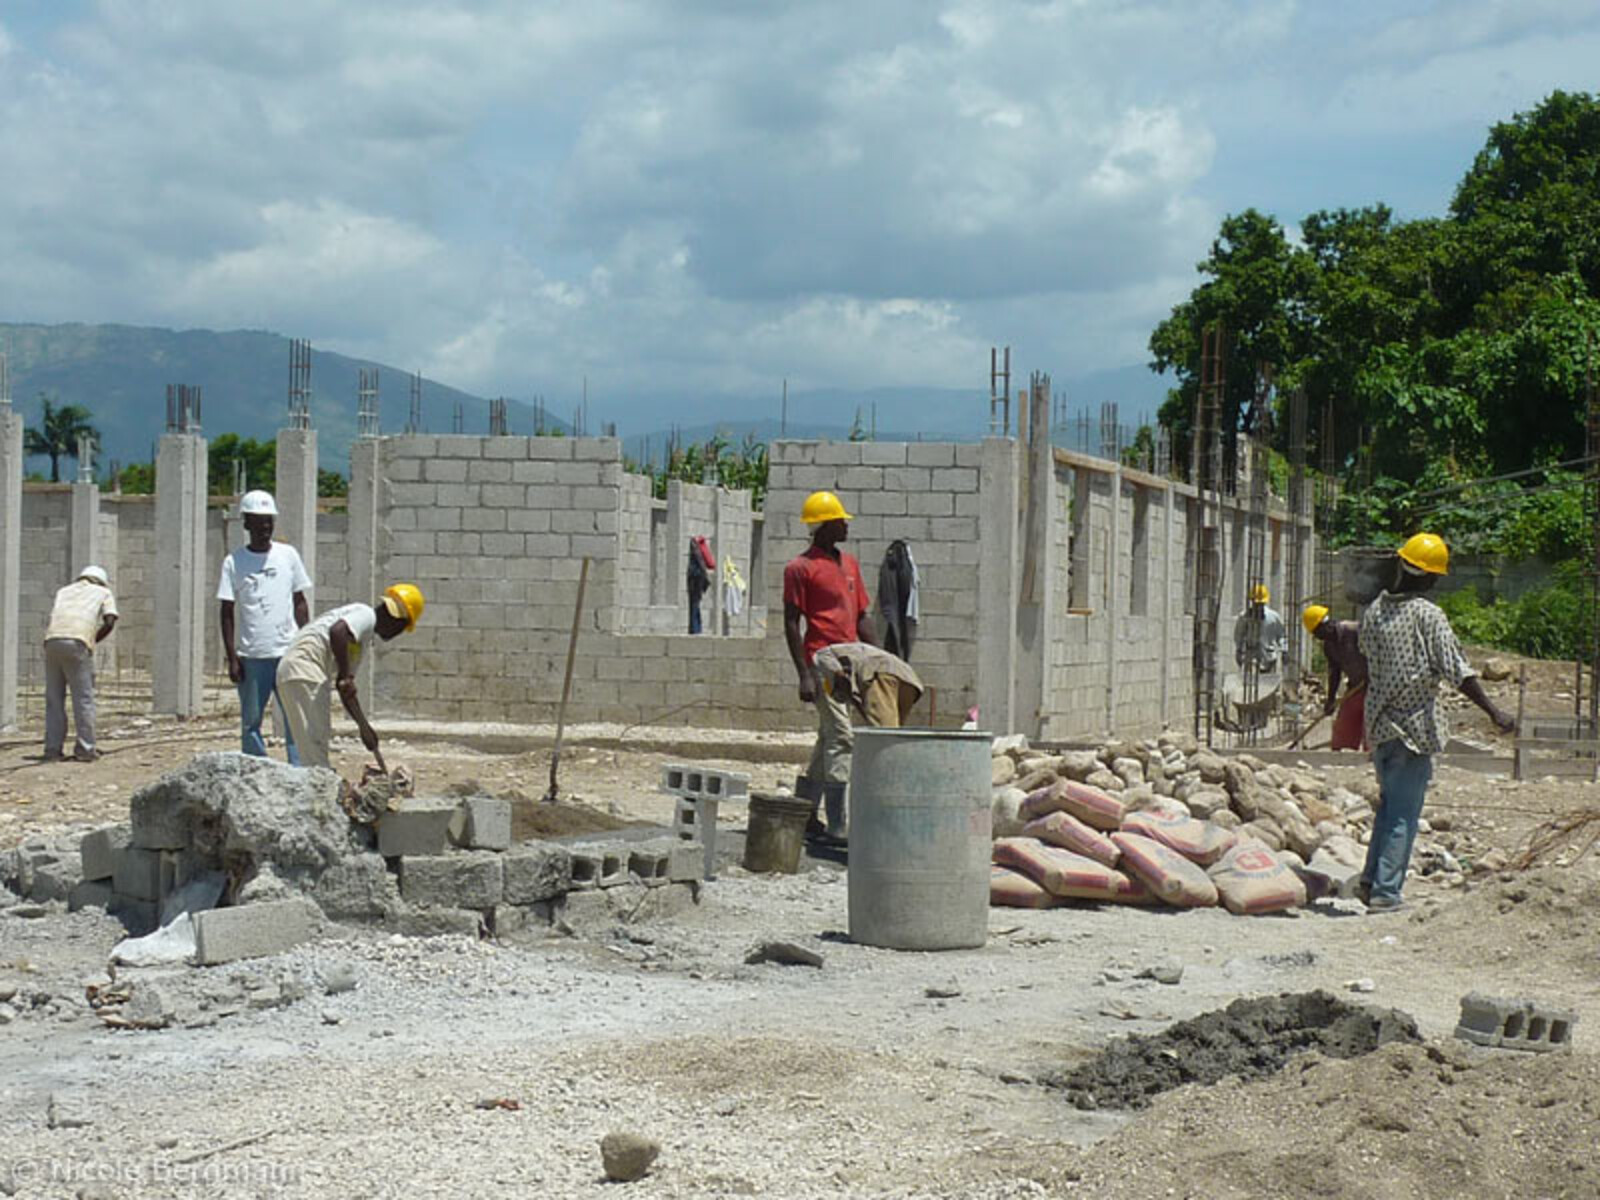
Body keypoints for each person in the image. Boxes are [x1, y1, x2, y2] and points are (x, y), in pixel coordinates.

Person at [1357, 533, 1515, 912]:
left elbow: (1367, 659)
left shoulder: (1374, 611)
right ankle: (1386, 893)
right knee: (1403, 815)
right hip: (1412, 732)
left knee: (1388, 806)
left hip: (1379, 726)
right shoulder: (1428, 615)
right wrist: (1494, 712)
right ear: (1430, 578)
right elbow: (1457, 670)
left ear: (1401, 565)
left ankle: (1369, 882)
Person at [783, 490, 876, 842]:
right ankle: (837, 823)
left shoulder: (849, 565)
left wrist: (882, 659)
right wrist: (804, 673)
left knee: (828, 739)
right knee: (842, 737)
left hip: (849, 662)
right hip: (822, 663)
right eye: (840, 520)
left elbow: (862, 616)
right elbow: (792, 623)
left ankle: (803, 814)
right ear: (822, 526)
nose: (846, 525)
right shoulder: (799, 569)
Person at [275, 584, 425, 772]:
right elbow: (337, 631)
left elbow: (344, 687)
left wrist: (363, 727)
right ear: (396, 621)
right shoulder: (365, 615)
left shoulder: (361, 638)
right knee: (315, 748)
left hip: (297, 671)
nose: (398, 634)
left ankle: (317, 789)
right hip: (305, 667)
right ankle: (321, 795)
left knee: (313, 744)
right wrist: (345, 674)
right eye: (402, 628)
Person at [218, 490, 312, 763]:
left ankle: (298, 771)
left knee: (295, 719)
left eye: (268, 523)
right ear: (246, 524)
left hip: (287, 653)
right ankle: (257, 769)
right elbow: (226, 611)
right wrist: (232, 657)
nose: (264, 529)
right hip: (252, 657)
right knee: (251, 723)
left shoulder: (288, 556)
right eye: (258, 523)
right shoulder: (234, 562)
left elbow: (299, 601)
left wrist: (305, 642)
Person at [42, 565, 118, 762]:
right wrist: (92, 640)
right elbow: (109, 621)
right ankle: (85, 748)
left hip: (52, 641)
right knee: (83, 698)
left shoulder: (64, 591)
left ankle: (52, 749)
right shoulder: (103, 592)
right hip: (77, 642)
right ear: (101, 581)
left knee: (54, 699)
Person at [1304, 604, 1368, 751]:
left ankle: (1371, 757)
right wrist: (1331, 699)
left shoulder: (1355, 631)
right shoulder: (1329, 646)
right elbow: (1335, 672)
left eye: (1318, 633)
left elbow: (1378, 655)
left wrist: (1373, 678)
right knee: (1345, 722)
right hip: (1356, 686)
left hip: (1375, 686)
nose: (1318, 638)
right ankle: (1341, 752)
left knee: (1371, 724)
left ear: (1326, 625)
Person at [1234, 584, 1287, 675]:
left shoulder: (1273, 617)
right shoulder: (1244, 617)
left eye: (1260, 604)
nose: (1258, 606)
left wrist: (1284, 650)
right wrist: (1239, 651)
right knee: (1251, 684)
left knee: (1269, 685)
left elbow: (1282, 636)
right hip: (1251, 659)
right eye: (1256, 604)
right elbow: (1238, 636)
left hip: (1269, 659)